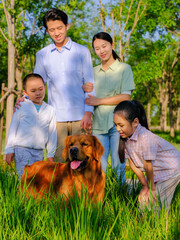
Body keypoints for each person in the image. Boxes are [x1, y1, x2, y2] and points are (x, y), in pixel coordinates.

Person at [33, 8, 95, 162]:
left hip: (80, 116)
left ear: (67, 26)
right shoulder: (43, 55)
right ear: (47, 31)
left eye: (59, 28)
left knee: (81, 161)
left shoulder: (82, 51)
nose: (56, 33)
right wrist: (26, 99)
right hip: (56, 118)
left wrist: (88, 112)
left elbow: (90, 83)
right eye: (52, 30)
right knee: (60, 162)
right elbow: (38, 85)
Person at [83, 32, 135, 182]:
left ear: (112, 45)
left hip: (118, 125)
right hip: (98, 125)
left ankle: (121, 198)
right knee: (99, 167)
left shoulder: (124, 68)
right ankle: (102, 200)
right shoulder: (92, 72)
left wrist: (98, 101)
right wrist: (83, 87)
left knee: (119, 166)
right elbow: (87, 96)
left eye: (104, 46)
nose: (101, 51)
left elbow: (125, 97)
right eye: (97, 48)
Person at [113, 100, 180, 211]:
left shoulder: (146, 138)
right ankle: (144, 222)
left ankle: (161, 225)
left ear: (135, 122)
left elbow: (148, 166)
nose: (117, 129)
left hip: (172, 170)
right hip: (157, 173)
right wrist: (145, 186)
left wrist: (152, 189)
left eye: (121, 125)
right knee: (144, 202)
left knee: (157, 202)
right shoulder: (126, 139)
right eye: (115, 125)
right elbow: (132, 164)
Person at [5, 73, 57, 178]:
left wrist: (51, 154)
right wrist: (9, 150)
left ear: (45, 88)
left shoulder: (50, 110)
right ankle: (21, 195)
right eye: (33, 91)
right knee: (23, 179)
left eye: (41, 89)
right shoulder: (22, 106)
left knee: (38, 180)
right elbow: (13, 129)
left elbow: (52, 134)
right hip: (21, 150)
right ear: (25, 92)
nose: (38, 93)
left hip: (39, 152)